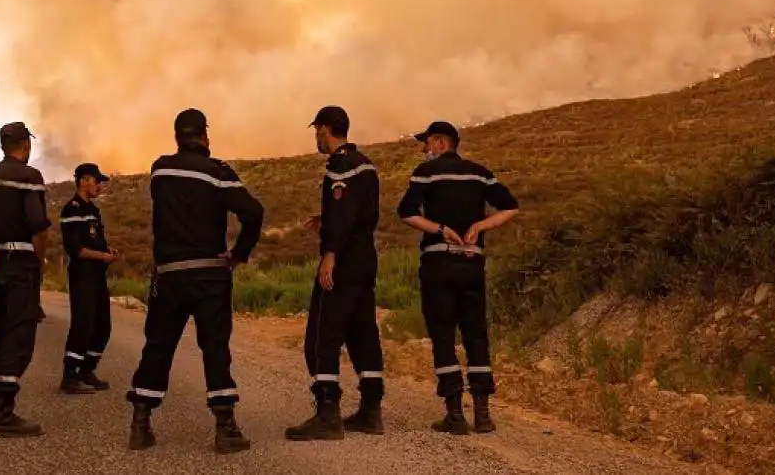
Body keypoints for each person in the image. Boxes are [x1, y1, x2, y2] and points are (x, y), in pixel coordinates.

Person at [125, 109, 264, 455]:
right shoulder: (218, 173)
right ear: (205, 136)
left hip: (169, 275)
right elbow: (254, 212)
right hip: (209, 274)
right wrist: (240, 253)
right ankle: (225, 428)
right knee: (215, 348)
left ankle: (141, 424)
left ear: (176, 137)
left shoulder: (160, 169)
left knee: (158, 346)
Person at [396, 121, 519, 435]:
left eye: (427, 144)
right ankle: (482, 414)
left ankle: (454, 413)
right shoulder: (479, 172)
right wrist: (480, 227)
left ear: (440, 142)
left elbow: (406, 212)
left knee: (443, 334)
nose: (424, 150)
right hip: (472, 263)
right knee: (475, 333)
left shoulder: (426, 173)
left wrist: (439, 229)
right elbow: (510, 206)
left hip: (439, 262)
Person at [285, 106, 385, 441]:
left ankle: (327, 414)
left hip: (343, 261)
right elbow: (359, 213)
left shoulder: (340, 167)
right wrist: (325, 220)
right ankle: (372, 411)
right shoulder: (366, 164)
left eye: (317, 131)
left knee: (321, 335)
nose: (316, 137)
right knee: (362, 333)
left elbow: (343, 214)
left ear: (325, 129)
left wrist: (329, 254)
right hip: (364, 258)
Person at [0, 121, 52, 437]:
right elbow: (39, 226)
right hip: (22, 263)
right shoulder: (28, 178)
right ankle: (2, 416)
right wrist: (40, 260)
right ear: (25, 144)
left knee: (3, 332)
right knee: (20, 336)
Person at [59, 162, 120, 393]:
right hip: (82, 276)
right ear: (84, 181)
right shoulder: (72, 210)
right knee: (82, 325)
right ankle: (69, 376)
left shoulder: (93, 211)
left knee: (103, 326)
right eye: (97, 181)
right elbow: (76, 249)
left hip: (97, 276)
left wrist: (109, 251)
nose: (100, 186)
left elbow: (96, 241)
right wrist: (101, 257)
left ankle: (87, 370)